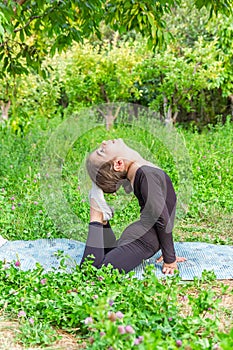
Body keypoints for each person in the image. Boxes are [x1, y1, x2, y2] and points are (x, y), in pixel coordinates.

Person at [80, 138, 186, 274]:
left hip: (141, 238)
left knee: (107, 254)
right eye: (101, 151)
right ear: (118, 163)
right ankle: (97, 215)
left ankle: (103, 220)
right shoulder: (144, 173)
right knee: (92, 270)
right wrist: (170, 260)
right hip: (143, 241)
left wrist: (168, 253)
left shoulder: (141, 172)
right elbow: (162, 218)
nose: (104, 142)